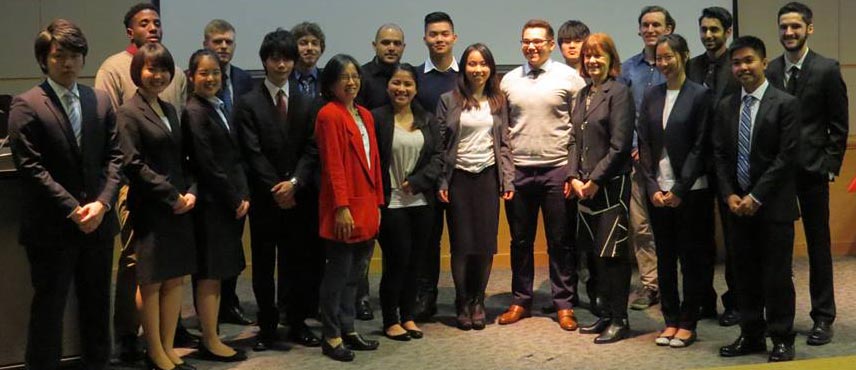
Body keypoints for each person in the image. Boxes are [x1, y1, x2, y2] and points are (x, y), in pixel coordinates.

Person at [8, 19, 122, 370]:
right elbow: (31, 169)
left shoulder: (100, 101)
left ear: (84, 58)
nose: (68, 62)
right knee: (49, 309)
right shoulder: (26, 104)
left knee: (97, 305)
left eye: (75, 55)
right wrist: (74, 210)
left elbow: (116, 158)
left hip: (98, 225)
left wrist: (102, 204)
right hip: (52, 228)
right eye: (59, 55)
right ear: (44, 59)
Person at [94, 2, 191, 359]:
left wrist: (185, 192)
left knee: (170, 272)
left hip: (172, 194)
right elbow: (123, 147)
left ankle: (166, 341)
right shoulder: (114, 72)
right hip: (138, 190)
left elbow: (179, 142)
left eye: (157, 22)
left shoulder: (173, 84)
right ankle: (129, 336)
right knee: (139, 268)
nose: (152, 27)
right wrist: (168, 193)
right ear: (129, 31)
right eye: (144, 22)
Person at [233, 28, 322, 352]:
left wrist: (294, 184)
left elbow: (312, 150)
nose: (281, 65)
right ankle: (267, 327)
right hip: (265, 199)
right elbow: (251, 152)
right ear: (265, 61)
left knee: (296, 263)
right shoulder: (248, 103)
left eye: (287, 59)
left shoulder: (308, 101)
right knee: (263, 266)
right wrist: (276, 188)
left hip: (298, 198)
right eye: (275, 59)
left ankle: (296, 323)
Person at [766, 1, 848, 346]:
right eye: (784, 27)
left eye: (795, 27)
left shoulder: (827, 68)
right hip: (778, 176)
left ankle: (823, 318)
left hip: (814, 172)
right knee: (778, 249)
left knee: (818, 247)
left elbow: (838, 124)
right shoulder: (769, 70)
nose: (789, 33)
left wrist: (829, 166)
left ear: (808, 29)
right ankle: (781, 319)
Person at [714, 36, 799, 363]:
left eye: (748, 60)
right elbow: (720, 156)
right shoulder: (725, 105)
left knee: (777, 275)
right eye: (736, 63)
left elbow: (786, 157)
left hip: (773, 206)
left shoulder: (785, 103)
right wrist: (731, 195)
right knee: (743, 274)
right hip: (737, 208)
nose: (742, 68)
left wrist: (756, 196)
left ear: (764, 62)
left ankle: (781, 337)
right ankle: (751, 335)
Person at [498, 19, 585, 331]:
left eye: (538, 41)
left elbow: (579, 130)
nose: (531, 46)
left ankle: (564, 303)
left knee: (560, 241)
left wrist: (572, 172)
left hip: (557, 170)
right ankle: (521, 299)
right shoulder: (508, 80)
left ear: (550, 45)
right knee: (520, 241)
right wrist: (507, 174)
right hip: (519, 172)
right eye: (526, 41)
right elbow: (503, 133)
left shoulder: (570, 78)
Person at [117, 43, 197, 370]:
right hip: (150, 207)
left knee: (174, 278)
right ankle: (153, 351)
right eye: (151, 69)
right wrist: (171, 195)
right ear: (139, 71)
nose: (158, 75)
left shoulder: (171, 110)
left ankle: (168, 348)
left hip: (179, 206)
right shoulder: (127, 112)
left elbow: (181, 159)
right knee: (150, 281)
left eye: (163, 69)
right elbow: (133, 164)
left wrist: (190, 192)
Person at [637, 34, 712, 348]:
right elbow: (643, 143)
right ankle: (669, 320)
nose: (664, 63)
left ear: (684, 56)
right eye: (659, 58)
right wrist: (653, 185)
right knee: (664, 258)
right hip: (658, 191)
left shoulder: (700, 95)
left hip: (691, 190)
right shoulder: (651, 95)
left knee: (690, 258)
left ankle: (688, 322)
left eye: (669, 57)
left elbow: (701, 146)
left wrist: (680, 188)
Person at [437, 43, 515, 331]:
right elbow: (440, 144)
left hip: (487, 177)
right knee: (461, 245)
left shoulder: (498, 101)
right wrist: (442, 180)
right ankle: (461, 300)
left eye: (483, 64)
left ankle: (478, 301)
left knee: (484, 245)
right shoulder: (449, 100)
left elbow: (505, 143)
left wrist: (508, 178)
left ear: (491, 68)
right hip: (457, 179)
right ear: (464, 68)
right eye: (472, 64)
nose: (478, 69)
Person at [315, 54, 384, 362]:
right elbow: (332, 166)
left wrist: (379, 202)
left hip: (367, 203)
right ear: (330, 83)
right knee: (338, 275)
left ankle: (348, 329)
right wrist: (341, 206)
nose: (351, 81)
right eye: (344, 76)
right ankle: (330, 336)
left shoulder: (365, 114)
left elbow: (375, 163)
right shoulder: (329, 115)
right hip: (343, 206)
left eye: (355, 75)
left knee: (356, 275)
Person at [182, 49, 249, 362]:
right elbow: (207, 164)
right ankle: (209, 339)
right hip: (212, 206)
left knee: (219, 272)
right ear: (191, 76)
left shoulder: (219, 106)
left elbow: (233, 158)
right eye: (204, 73)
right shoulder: (194, 111)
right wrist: (235, 198)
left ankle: (213, 333)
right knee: (209, 274)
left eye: (216, 73)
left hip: (226, 205)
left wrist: (243, 194)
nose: (211, 78)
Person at [569, 33, 635, 344]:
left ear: (611, 59)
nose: (592, 61)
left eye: (599, 55)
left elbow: (620, 146)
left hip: (609, 187)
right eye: (588, 56)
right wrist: (573, 177)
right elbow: (573, 141)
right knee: (595, 257)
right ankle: (605, 315)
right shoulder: (583, 94)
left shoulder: (619, 92)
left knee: (613, 256)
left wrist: (594, 180)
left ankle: (620, 320)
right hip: (584, 189)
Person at [373, 63, 442, 339]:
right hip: (391, 203)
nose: (401, 89)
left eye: (407, 84)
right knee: (396, 260)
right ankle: (390, 319)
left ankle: (409, 316)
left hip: (421, 202)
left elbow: (439, 157)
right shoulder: (376, 118)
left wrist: (418, 181)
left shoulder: (427, 119)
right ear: (388, 86)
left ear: (415, 89)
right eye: (396, 83)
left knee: (417, 261)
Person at [685, 6, 742, 327]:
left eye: (715, 30)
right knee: (698, 237)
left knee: (734, 239)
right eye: (704, 30)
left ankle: (735, 302)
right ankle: (702, 299)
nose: (708, 36)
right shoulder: (691, 66)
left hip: (731, 164)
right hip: (695, 164)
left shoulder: (738, 66)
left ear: (728, 32)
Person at [619, 5, 676, 311]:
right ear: (639, 30)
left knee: (675, 227)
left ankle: (674, 287)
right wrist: (633, 146)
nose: (651, 30)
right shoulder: (628, 69)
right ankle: (651, 285)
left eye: (657, 25)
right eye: (646, 25)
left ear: (669, 28)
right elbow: (624, 114)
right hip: (638, 159)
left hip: (674, 161)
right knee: (641, 227)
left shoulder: (681, 67)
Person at [201, 18, 254, 327]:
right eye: (217, 41)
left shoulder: (244, 79)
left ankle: (230, 302)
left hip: (239, 175)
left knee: (233, 245)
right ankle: (210, 310)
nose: (223, 46)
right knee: (211, 250)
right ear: (206, 43)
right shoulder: (195, 81)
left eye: (228, 42)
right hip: (210, 181)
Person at [413, 11, 459, 321]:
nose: (439, 39)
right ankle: (425, 296)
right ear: (425, 39)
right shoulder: (413, 77)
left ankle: (466, 297)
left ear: (454, 38)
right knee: (427, 240)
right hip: (426, 172)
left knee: (461, 238)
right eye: (433, 34)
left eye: (444, 34)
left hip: (460, 174)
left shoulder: (466, 74)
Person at [358, 23, 406, 110]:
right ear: (374, 45)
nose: (391, 48)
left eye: (397, 43)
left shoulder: (410, 77)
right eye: (386, 43)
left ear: (403, 47)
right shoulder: (360, 77)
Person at [290, 21, 325, 99]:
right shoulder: (283, 80)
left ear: (321, 48)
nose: (310, 48)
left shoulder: (329, 81)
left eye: (314, 43)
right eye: (303, 43)